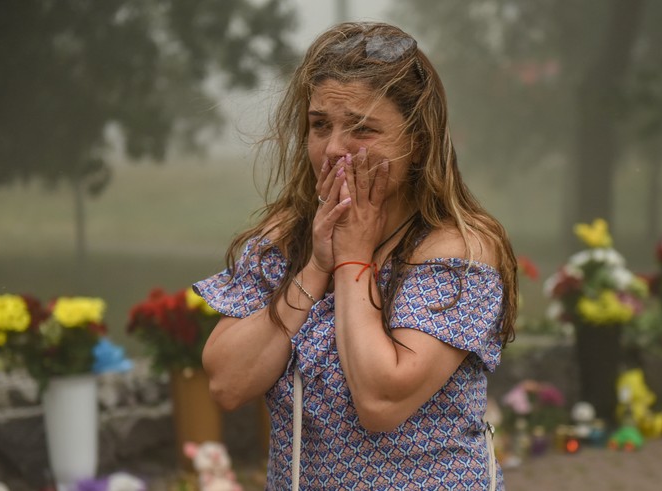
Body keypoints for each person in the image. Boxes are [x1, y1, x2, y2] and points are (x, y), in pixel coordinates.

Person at [194, 22, 518, 490]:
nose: (332, 149)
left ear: (416, 141)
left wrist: (352, 262)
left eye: (362, 129)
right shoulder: (286, 240)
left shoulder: (458, 250)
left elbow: (381, 400)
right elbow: (227, 383)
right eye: (320, 125)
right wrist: (315, 267)